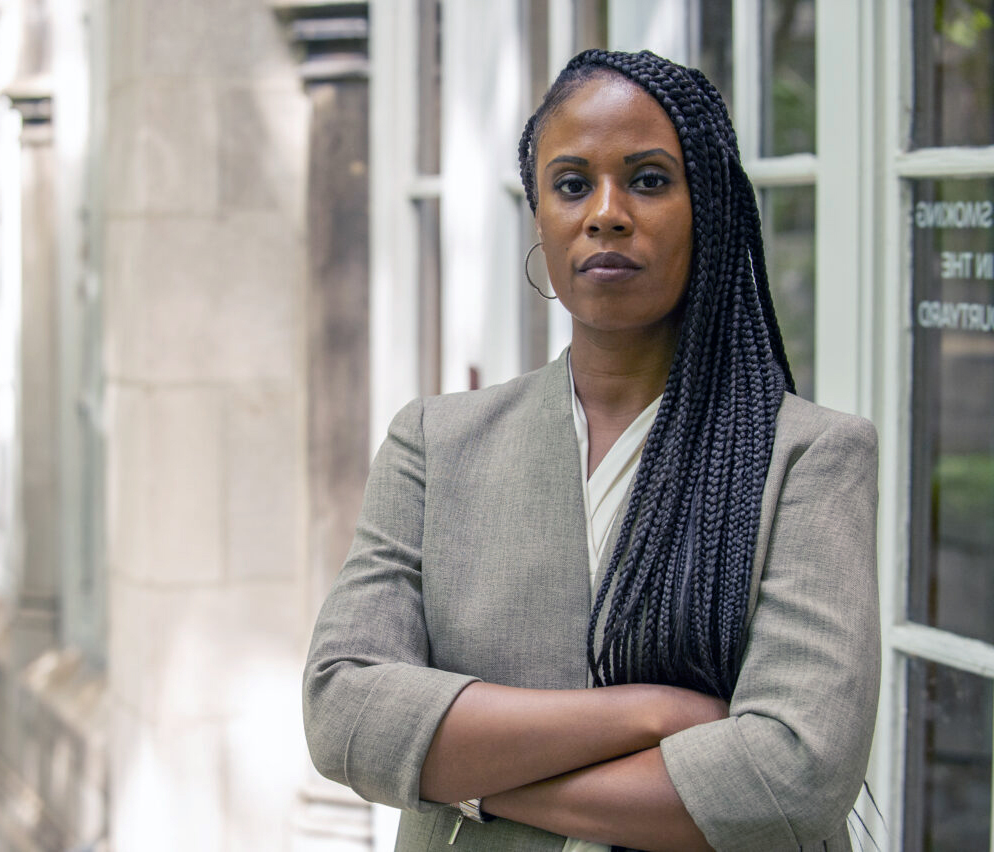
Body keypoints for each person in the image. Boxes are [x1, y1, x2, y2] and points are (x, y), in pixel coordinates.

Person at [302, 49, 880, 852]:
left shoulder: (807, 459)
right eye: (572, 184)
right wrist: (652, 713)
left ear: (707, 207)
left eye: (648, 179)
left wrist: (462, 777)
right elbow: (343, 713)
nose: (606, 212)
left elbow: (792, 778)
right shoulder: (436, 446)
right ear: (540, 213)